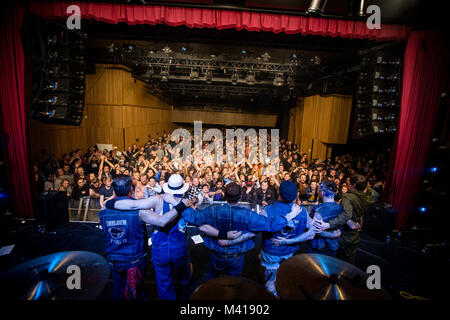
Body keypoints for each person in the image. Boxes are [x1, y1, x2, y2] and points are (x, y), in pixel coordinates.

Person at [180, 182, 299, 280]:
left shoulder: (213, 210)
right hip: (236, 257)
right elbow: (271, 226)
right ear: (240, 197)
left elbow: (191, 216)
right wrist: (289, 216)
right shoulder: (248, 215)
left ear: (225, 195)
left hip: (216, 254)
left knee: (212, 284)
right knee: (233, 285)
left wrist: (178, 202)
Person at [99, 176, 188, 300]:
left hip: (113, 256)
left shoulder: (103, 210)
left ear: (113, 190)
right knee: (135, 292)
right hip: (134, 259)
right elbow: (162, 221)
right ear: (131, 189)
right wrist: (181, 206)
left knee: (118, 289)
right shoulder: (140, 211)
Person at [315, 174, 371, 264]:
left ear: (354, 185)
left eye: (349, 183)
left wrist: (329, 224)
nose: (347, 185)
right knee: (350, 263)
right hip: (355, 235)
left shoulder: (348, 197)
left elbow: (346, 215)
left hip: (344, 235)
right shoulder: (366, 198)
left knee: (338, 263)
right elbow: (358, 213)